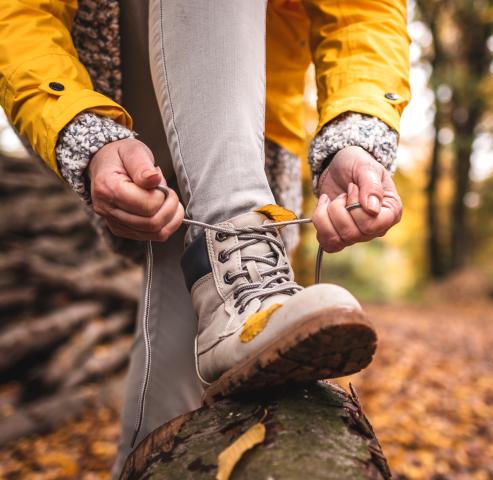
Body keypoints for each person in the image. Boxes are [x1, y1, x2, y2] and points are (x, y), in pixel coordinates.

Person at [0, 0, 410, 475]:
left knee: (170, 398)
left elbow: (362, 11)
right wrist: (82, 131)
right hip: (99, 81)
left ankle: (236, 273)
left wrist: (355, 136)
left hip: (248, 126)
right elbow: (20, 13)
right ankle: (238, 236)